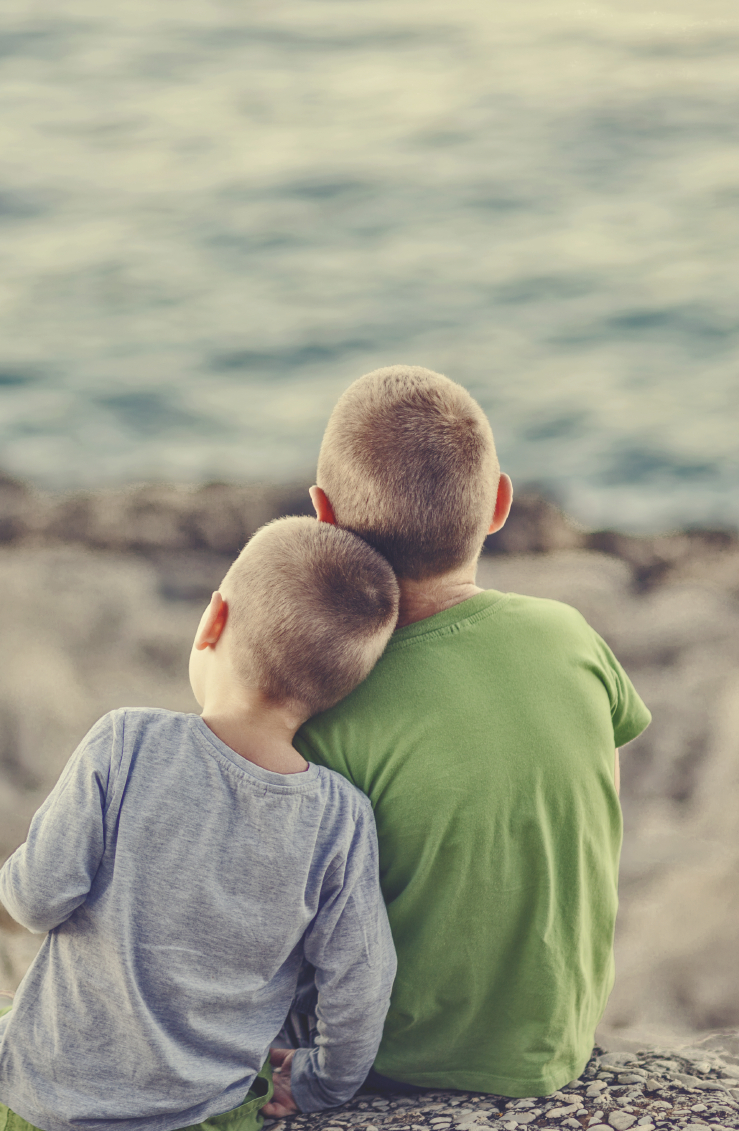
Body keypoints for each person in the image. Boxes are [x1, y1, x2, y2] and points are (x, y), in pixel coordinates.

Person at [0, 516, 402, 1131]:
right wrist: (321, 1083)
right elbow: (361, 983)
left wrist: (15, 872)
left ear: (212, 620)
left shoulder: (126, 741)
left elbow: (36, 899)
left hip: (45, 1105)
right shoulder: (340, 819)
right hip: (206, 1118)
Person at [291, 365, 651, 1097]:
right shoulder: (569, 634)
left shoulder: (325, 701)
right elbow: (601, 796)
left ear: (322, 514)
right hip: (557, 1040)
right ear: (499, 503)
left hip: (393, 1057)